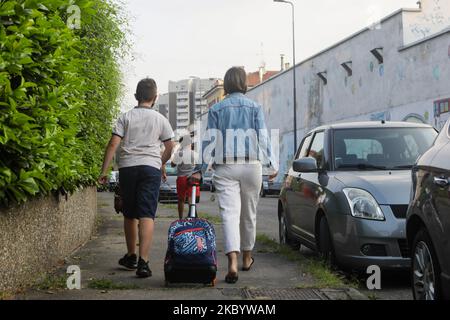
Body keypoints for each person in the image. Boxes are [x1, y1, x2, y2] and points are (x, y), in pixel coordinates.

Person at [192, 67, 278, 284]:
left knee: (229, 215)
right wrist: (273, 164)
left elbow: (209, 141)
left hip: (225, 167)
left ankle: (232, 261)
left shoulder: (217, 109)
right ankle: (247, 258)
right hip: (251, 166)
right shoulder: (255, 107)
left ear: (228, 85)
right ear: (243, 84)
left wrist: (200, 170)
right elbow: (264, 137)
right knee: (249, 214)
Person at [98, 78, 175, 278]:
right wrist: (160, 163)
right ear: (155, 98)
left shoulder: (126, 117)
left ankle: (131, 256)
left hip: (128, 169)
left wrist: (104, 171)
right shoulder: (160, 119)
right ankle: (144, 262)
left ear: (135, 96)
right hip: (151, 169)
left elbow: (113, 144)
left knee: (130, 213)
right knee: (147, 214)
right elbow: (170, 147)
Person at [172, 136, 200, 219]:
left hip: (181, 178)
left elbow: (173, 165)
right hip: (192, 178)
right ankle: (192, 216)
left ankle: (180, 218)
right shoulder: (194, 153)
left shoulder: (179, 153)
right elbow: (199, 165)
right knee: (191, 198)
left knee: (181, 199)